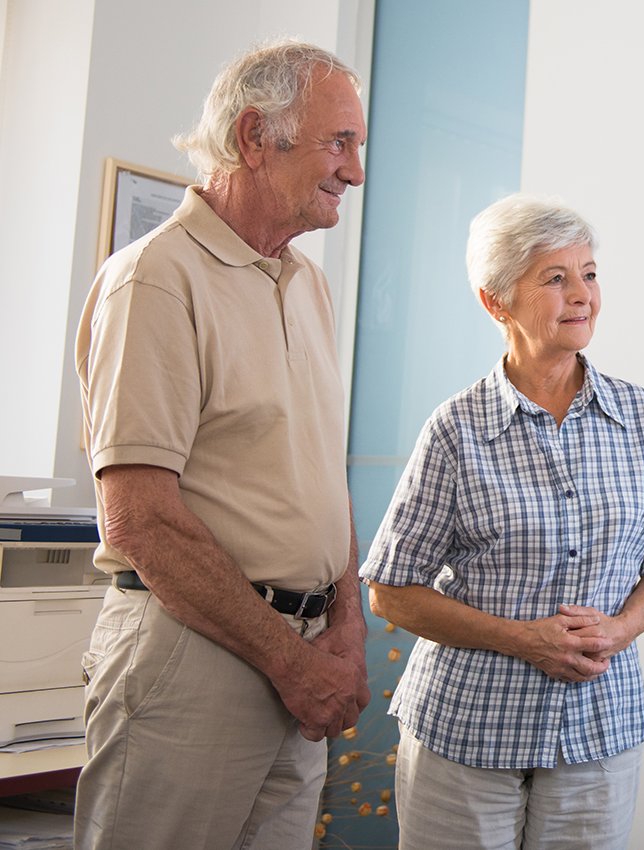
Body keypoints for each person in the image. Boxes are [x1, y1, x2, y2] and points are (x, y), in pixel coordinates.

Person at [74, 40, 370, 850]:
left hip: (301, 656)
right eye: (338, 143)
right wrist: (293, 661)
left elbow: (321, 474)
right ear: (253, 138)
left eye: (358, 146)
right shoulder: (155, 279)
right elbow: (141, 522)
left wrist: (346, 627)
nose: (354, 170)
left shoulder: (306, 282)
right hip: (193, 657)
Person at [359, 194, 644, 850]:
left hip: (599, 730)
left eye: (590, 273)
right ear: (496, 302)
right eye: (555, 277)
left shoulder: (640, 418)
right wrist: (524, 639)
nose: (582, 295)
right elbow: (392, 592)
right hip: (467, 733)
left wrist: (619, 628)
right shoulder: (457, 429)